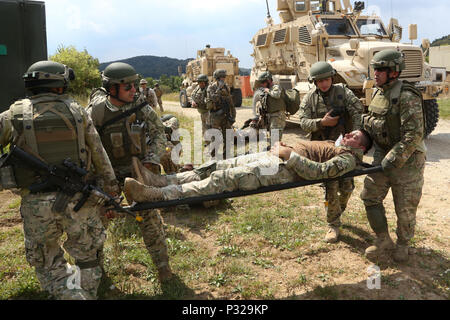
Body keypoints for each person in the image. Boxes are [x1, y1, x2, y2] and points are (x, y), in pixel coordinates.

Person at [0, 61, 119, 300]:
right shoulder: (78, 111)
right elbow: (99, 155)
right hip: (80, 202)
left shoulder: (12, 115)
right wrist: (112, 192)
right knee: (87, 257)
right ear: (59, 83)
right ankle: (84, 294)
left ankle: (68, 294)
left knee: (48, 261)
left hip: (37, 205)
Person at [86, 62, 173, 283]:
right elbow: (85, 147)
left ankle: (163, 268)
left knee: (149, 219)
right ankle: (97, 274)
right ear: (112, 89)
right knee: (95, 226)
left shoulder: (140, 107)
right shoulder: (95, 113)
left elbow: (159, 132)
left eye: (135, 85)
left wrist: (151, 160)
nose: (134, 90)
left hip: (135, 170)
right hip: (105, 174)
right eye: (128, 87)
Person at [123, 130, 373, 206]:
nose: (348, 134)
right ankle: (162, 180)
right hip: (275, 158)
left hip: (283, 170)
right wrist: (286, 147)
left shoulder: (348, 159)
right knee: (217, 165)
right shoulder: (335, 145)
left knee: (224, 179)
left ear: (360, 147)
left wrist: (289, 155)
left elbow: (319, 173)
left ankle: (158, 195)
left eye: (354, 136)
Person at [360, 49, 426, 263]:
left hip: (408, 161)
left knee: (405, 207)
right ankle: (382, 240)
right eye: (375, 68)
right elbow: (374, 123)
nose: (376, 73)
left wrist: (392, 159)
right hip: (383, 155)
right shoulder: (379, 93)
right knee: (370, 195)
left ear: (394, 73)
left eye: (381, 69)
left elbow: (414, 135)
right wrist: (361, 136)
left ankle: (403, 245)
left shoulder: (407, 96)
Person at [298, 61, 363, 243]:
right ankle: (333, 224)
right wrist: (321, 123)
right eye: (319, 81)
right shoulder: (310, 98)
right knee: (331, 186)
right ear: (314, 82)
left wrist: (355, 136)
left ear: (332, 78)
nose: (323, 84)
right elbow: (302, 121)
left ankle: (339, 209)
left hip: (345, 147)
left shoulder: (343, 92)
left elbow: (358, 112)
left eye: (326, 79)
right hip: (324, 150)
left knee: (348, 187)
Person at [206, 69, 236, 159]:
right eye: (221, 77)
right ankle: (213, 156)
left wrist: (233, 115)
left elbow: (230, 101)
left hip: (225, 116)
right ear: (217, 78)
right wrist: (219, 89)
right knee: (215, 137)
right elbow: (213, 98)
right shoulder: (211, 87)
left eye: (224, 77)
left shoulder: (226, 87)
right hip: (215, 116)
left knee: (228, 136)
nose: (223, 79)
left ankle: (226, 156)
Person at [254, 71, 287, 142]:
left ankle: (277, 151)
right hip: (271, 116)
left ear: (268, 81)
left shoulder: (276, 87)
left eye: (263, 82)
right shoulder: (268, 89)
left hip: (278, 116)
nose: (262, 84)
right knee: (273, 138)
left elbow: (277, 95)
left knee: (275, 139)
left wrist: (268, 91)